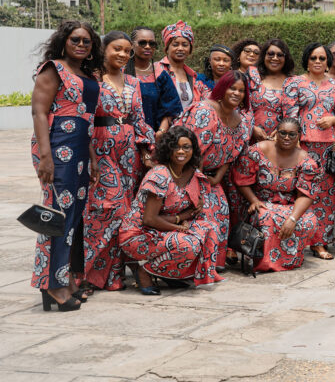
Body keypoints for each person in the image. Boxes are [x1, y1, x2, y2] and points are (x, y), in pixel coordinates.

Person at [30, 21, 101, 311]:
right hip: (57, 147)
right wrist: (45, 156)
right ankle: (51, 284)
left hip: (80, 149)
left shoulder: (88, 74)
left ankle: (64, 278)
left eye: (87, 41)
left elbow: (88, 119)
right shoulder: (53, 69)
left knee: (72, 218)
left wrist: (92, 157)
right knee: (56, 216)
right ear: (64, 41)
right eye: (75, 39)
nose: (81, 45)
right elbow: (39, 111)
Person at [82, 31, 155, 292]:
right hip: (101, 149)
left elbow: (139, 118)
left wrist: (147, 149)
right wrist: (90, 155)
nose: (123, 54)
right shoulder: (91, 79)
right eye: (117, 49)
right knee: (107, 209)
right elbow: (84, 118)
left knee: (126, 212)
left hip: (129, 153)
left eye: (127, 50)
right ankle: (83, 274)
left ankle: (113, 276)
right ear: (103, 49)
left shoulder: (133, 81)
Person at [120, 126, 222, 291]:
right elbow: (149, 219)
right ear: (168, 149)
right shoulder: (160, 174)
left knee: (211, 229)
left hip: (165, 228)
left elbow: (194, 211)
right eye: (176, 147)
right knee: (189, 243)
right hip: (139, 234)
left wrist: (186, 217)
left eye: (186, 147)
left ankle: (172, 274)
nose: (181, 151)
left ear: (193, 150)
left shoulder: (192, 173)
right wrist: (180, 226)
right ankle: (144, 271)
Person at [180, 70, 254, 268]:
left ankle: (213, 263)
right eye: (232, 88)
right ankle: (193, 265)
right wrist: (198, 185)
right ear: (222, 88)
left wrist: (217, 178)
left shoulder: (240, 120)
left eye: (241, 90)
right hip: (186, 173)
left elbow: (232, 153)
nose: (236, 93)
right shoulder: (205, 111)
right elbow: (192, 152)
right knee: (203, 212)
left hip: (212, 176)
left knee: (221, 211)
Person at [284, 43, 335, 261]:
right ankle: (295, 239)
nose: (318, 62)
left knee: (325, 196)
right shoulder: (295, 83)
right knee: (300, 191)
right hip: (302, 146)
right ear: (307, 60)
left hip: (328, 147)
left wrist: (334, 119)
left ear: (328, 61)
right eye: (314, 58)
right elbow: (289, 115)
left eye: (322, 58)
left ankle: (320, 242)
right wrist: (294, 145)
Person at [232, 118, 319, 272]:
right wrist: (253, 200)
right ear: (276, 133)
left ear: (299, 135)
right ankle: (263, 262)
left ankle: (289, 260)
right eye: (283, 133)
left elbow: (306, 194)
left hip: (289, 205)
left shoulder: (306, 160)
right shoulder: (257, 150)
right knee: (265, 217)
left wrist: (292, 219)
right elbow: (241, 179)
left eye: (292, 134)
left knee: (308, 220)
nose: (287, 137)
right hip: (261, 201)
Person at [125, 26, 182, 141]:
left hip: (155, 138)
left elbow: (171, 109)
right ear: (132, 45)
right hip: (126, 136)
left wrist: (160, 132)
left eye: (152, 44)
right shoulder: (121, 73)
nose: (148, 47)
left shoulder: (161, 75)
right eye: (142, 43)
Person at [250, 39, 295, 141]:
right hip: (251, 137)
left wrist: (282, 130)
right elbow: (241, 107)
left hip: (282, 139)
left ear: (286, 58)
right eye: (270, 54)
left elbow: (294, 113)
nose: (275, 58)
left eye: (280, 55)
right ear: (264, 56)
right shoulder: (252, 76)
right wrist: (252, 128)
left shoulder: (292, 82)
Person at [157, 21, 205, 110]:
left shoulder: (193, 76)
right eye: (175, 45)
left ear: (190, 49)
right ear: (167, 48)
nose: (180, 48)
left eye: (185, 45)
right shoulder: (156, 71)